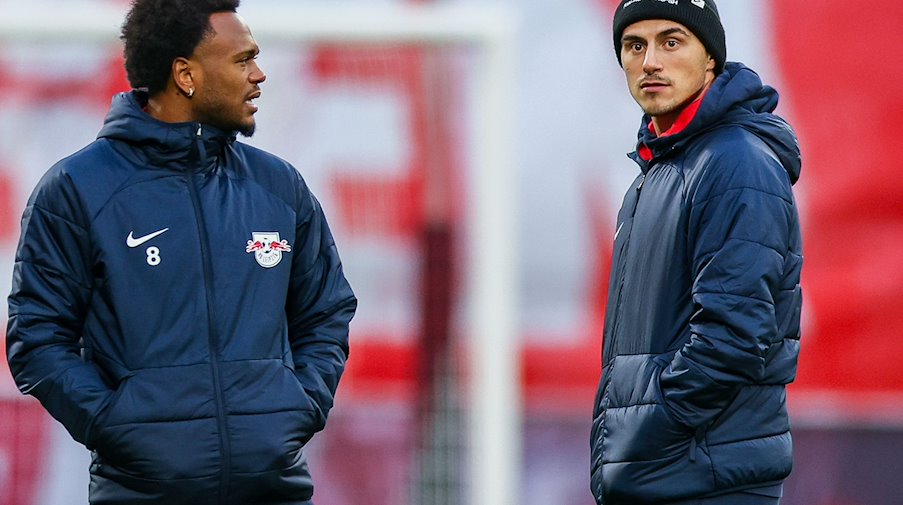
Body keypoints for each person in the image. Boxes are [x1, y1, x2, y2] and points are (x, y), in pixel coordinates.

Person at [5, 1, 356, 504]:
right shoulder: (77, 190)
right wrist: (118, 425)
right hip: (141, 491)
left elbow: (326, 311)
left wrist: (296, 408)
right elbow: (37, 338)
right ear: (185, 74)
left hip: (273, 489)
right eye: (241, 60)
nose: (259, 75)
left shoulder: (279, 187)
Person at [590, 1, 803, 504]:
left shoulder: (736, 165)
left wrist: (655, 428)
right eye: (634, 45)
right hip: (667, 473)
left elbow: (735, 335)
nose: (650, 62)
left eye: (671, 41)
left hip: (701, 476)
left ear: (711, 59)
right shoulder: (661, 171)